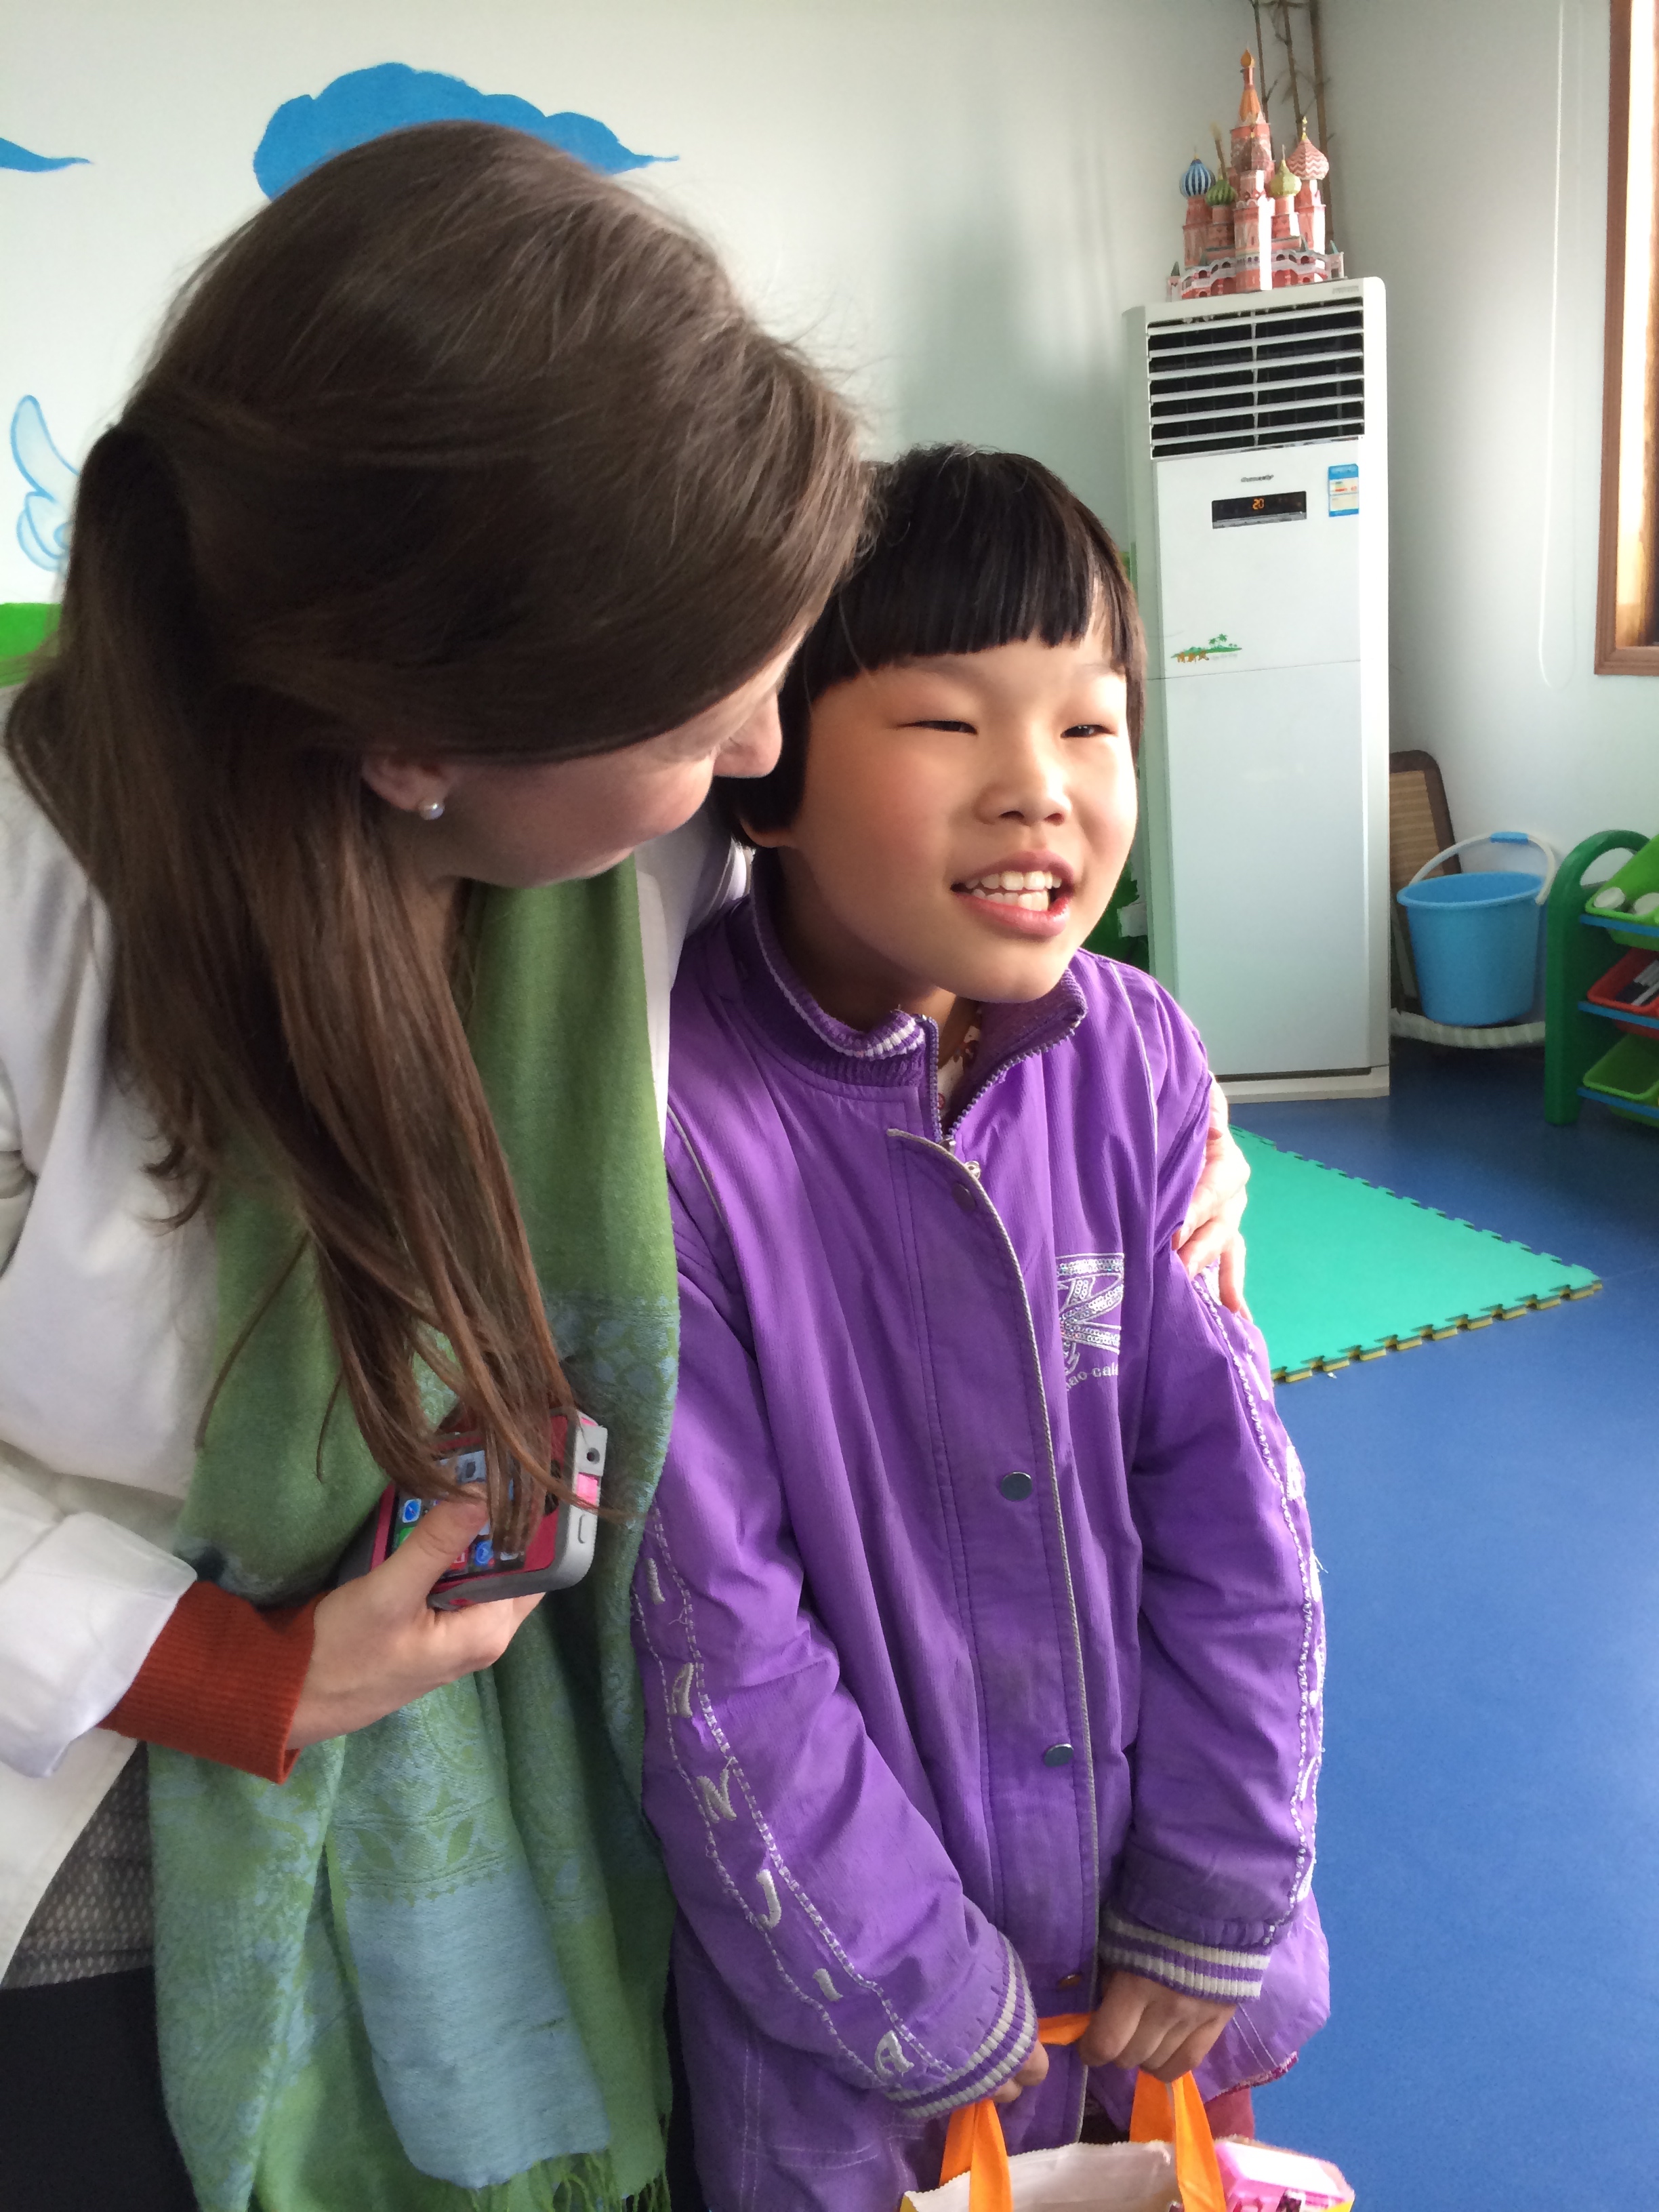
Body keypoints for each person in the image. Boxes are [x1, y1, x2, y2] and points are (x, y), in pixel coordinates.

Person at [0, 123, 869, 2212]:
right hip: (102, 1781)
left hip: (548, 1719)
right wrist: (243, 1676)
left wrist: (1127, 1104)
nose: (762, 758)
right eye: (701, 723)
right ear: (414, 746)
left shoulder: (617, 852)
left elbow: (912, 961)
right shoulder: (43, 920)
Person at [633, 446, 1329, 2212]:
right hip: (849, 2017)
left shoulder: (1138, 1057)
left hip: (1154, 1982)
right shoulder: (673, 1117)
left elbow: (1234, 1513)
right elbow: (716, 1639)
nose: (1040, 790)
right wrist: (915, 1987)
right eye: (949, 724)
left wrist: (1218, 1886)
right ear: (766, 772)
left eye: (1093, 726)